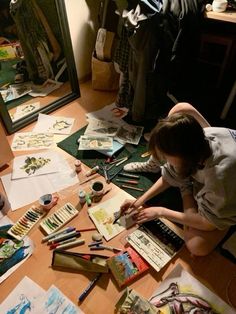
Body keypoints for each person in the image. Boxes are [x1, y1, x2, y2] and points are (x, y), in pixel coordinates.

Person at [120, 103, 236, 256]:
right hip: (217, 173)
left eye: (167, 157)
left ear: (186, 157)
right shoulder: (201, 137)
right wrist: (140, 200)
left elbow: (207, 224)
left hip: (230, 191)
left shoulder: (219, 177)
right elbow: (170, 175)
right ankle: (186, 185)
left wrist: (161, 212)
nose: (165, 161)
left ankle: (187, 188)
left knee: (196, 246)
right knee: (180, 108)